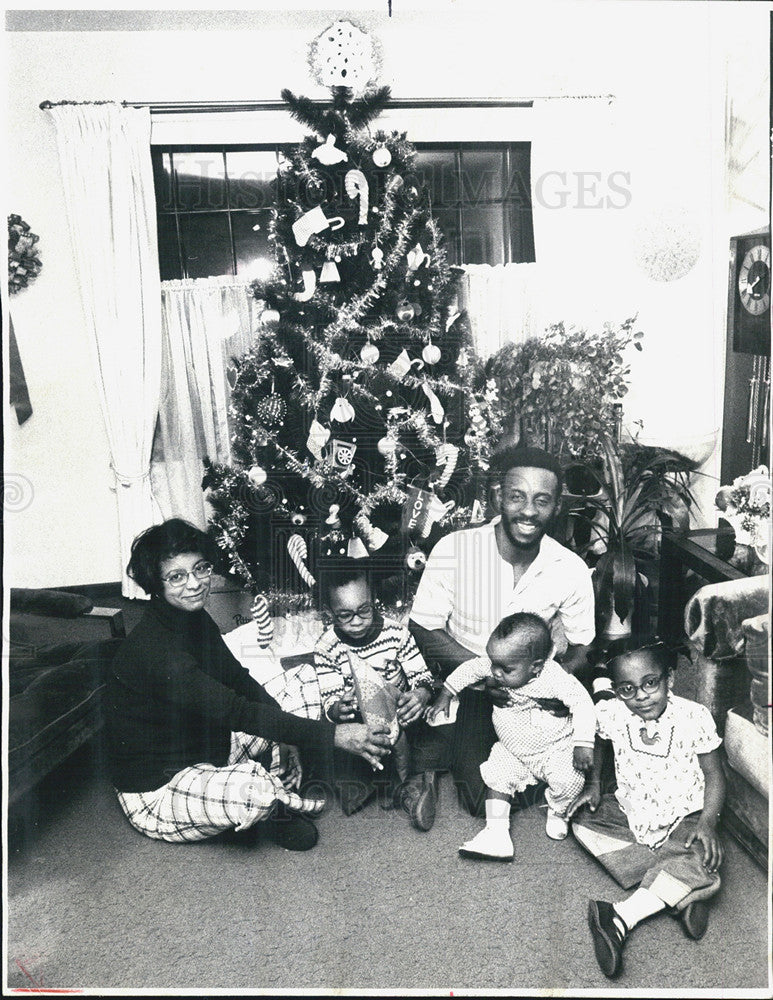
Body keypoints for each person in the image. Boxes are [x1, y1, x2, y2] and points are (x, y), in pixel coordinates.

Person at [105, 519, 391, 852]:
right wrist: (335, 736)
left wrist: (286, 738)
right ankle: (274, 801)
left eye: (200, 569)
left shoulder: (193, 617)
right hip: (160, 787)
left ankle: (276, 782)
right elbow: (235, 710)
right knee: (251, 790)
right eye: (177, 576)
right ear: (156, 582)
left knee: (305, 681)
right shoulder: (156, 649)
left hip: (210, 749)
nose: (195, 584)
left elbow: (238, 680)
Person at [409, 445, 596, 815]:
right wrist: (491, 674)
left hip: (539, 688)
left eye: (542, 500)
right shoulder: (455, 549)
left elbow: (583, 645)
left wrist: (554, 686)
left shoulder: (569, 567)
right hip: (477, 689)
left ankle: (558, 774)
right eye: (517, 497)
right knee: (479, 799)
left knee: (583, 751)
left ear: (557, 506)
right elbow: (424, 627)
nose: (529, 511)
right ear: (498, 498)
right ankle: (448, 754)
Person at [567, 636, 725, 980]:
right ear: (617, 690)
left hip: (686, 815)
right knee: (578, 819)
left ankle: (621, 916)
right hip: (634, 811)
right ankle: (680, 891)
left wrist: (709, 824)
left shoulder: (694, 717)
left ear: (669, 679)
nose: (640, 696)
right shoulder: (611, 712)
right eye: (627, 689)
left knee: (704, 852)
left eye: (650, 683)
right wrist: (594, 786)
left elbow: (715, 774)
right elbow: (600, 740)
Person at [427, 612, 595, 860]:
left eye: (505, 668)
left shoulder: (553, 677)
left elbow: (582, 703)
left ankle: (558, 811)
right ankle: (495, 832)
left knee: (570, 779)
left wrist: (583, 744)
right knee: (496, 774)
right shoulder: (498, 665)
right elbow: (469, 670)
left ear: (535, 666)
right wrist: (445, 694)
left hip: (553, 749)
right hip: (512, 749)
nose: (494, 672)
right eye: (493, 662)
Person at [313, 562, 438, 830]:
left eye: (364, 610)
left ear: (374, 602)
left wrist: (420, 694)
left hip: (401, 714)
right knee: (343, 776)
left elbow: (423, 677)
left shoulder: (396, 633)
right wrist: (339, 709)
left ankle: (411, 789)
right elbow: (329, 702)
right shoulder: (326, 647)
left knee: (425, 740)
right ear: (329, 613)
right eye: (345, 615)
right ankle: (390, 780)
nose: (357, 621)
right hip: (361, 725)